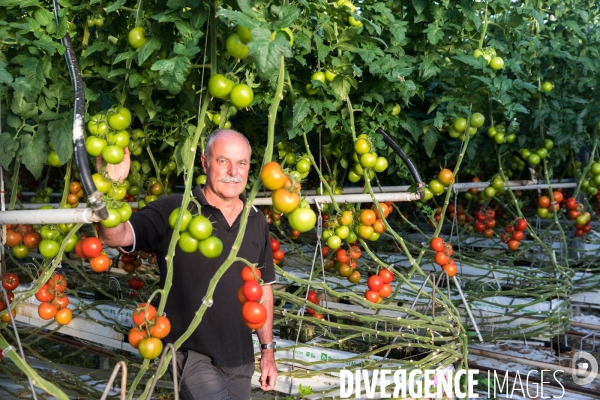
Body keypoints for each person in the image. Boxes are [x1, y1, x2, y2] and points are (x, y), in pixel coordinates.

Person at [98, 129, 278, 399]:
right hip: (189, 353)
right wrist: (109, 190)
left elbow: (263, 290)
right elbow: (115, 236)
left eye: (241, 163)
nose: (233, 171)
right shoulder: (174, 211)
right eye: (222, 161)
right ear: (205, 162)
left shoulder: (255, 220)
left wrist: (267, 351)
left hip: (239, 356)